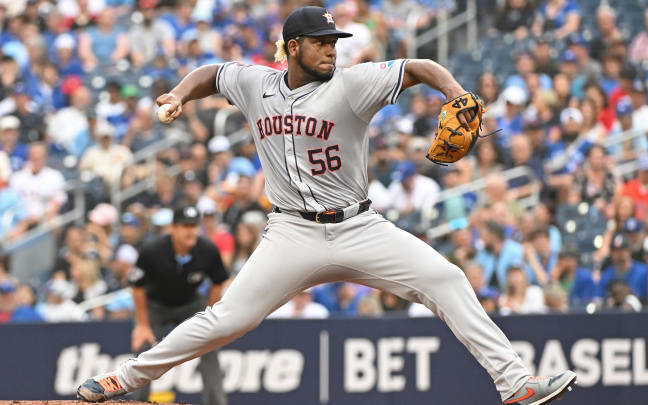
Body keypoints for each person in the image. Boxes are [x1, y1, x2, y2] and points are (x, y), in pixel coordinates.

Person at [77, 7, 577, 405]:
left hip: (360, 227)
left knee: (445, 279)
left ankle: (516, 385)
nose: (331, 51)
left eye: (334, 43)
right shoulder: (258, 86)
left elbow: (418, 67)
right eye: (320, 43)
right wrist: (180, 94)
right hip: (291, 233)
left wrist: (456, 92)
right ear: (292, 47)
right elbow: (214, 73)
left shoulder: (353, 85)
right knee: (227, 318)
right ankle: (123, 379)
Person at [118, 205, 228, 405]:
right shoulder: (153, 250)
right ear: (174, 228)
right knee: (144, 347)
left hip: (190, 305)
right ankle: (138, 402)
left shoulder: (207, 250)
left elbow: (219, 280)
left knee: (210, 346)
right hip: (156, 306)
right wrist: (142, 324)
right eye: (185, 226)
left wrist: (209, 313)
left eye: (194, 226)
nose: (191, 231)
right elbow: (137, 285)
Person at [599, 233, 648, 298]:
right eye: (616, 251)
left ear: (629, 251)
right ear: (611, 253)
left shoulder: (643, 272)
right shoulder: (606, 275)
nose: (620, 254)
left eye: (623, 249)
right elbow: (599, 300)